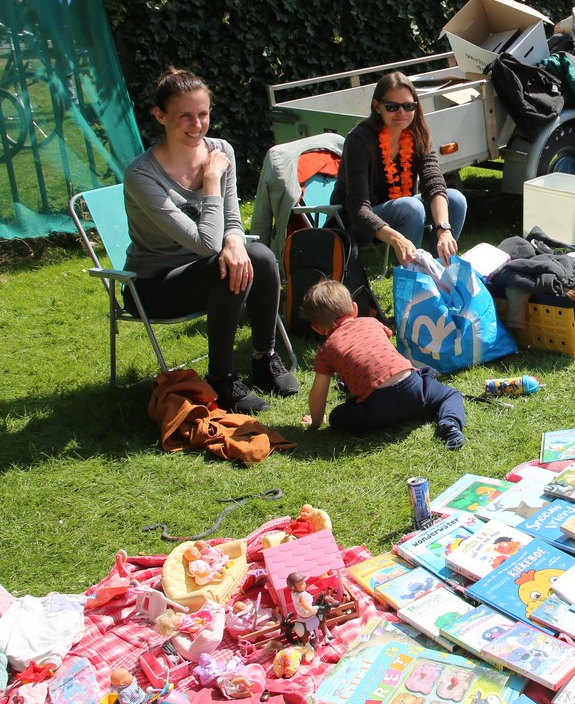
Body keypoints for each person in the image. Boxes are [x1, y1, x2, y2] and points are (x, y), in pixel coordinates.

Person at [123, 69, 297, 414]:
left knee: (260, 256)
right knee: (226, 265)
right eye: (184, 116)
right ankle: (221, 378)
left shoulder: (220, 150)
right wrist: (212, 179)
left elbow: (231, 222)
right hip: (154, 286)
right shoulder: (141, 175)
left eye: (203, 114)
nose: (197, 124)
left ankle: (265, 358)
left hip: (205, 265)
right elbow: (205, 244)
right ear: (160, 116)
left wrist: (233, 241)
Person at [299, 278, 466, 447]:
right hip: (413, 389)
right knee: (450, 395)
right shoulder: (372, 322)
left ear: (317, 328)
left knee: (337, 416)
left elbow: (318, 394)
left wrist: (316, 421)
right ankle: (450, 424)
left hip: (376, 407)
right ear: (355, 309)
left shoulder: (326, 350)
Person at [332, 71, 466, 267]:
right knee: (411, 208)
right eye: (392, 107)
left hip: (403, 209)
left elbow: (434, 183)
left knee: (455, 200)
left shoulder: (418, 134)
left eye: (408, 106)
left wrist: (444, 230)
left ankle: (439, 270)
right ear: (377, 107)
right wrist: (396, 239)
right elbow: (357, 207)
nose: (402, 113)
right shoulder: (359, 140)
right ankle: (410, 279)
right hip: (356, 223)